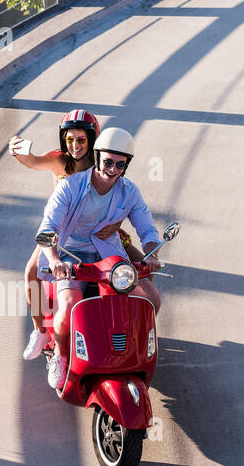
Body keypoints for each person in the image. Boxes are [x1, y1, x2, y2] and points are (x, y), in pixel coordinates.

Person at [35, 126, 163, 391]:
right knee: (69, 303)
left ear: (126, 165)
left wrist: (152, 254)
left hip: (108, 253)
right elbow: (48, 228)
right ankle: (60, 355)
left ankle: (134, 348)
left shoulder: (130, 192)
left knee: (151, 298)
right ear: (97, 157)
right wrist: (55, 258)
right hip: (72, 254)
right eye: (108, 161)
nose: (113, 168)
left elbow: (147, 229)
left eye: (120, 163)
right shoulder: (70, 187)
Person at [9, 110, 100, 360]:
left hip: (96, 229)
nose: (75, 145)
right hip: (61, 230)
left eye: (81, 140)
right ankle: (40, 331)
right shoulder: (61, 160)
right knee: (31, 272)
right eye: (70, 140)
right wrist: (18, 150)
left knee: (138, 267)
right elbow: (34, 161)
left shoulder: (102, 162)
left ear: (92, 139)